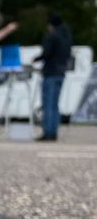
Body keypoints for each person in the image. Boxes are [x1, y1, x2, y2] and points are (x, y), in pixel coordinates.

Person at [34, 14, 73, 142]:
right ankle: (54, 131)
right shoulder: (66, 36)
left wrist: (36, 59)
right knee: (55, 105)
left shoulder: (52, 36)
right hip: (61, 73)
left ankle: (48, 132)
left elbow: (46, 53)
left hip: (50, 72)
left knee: (48, 104)